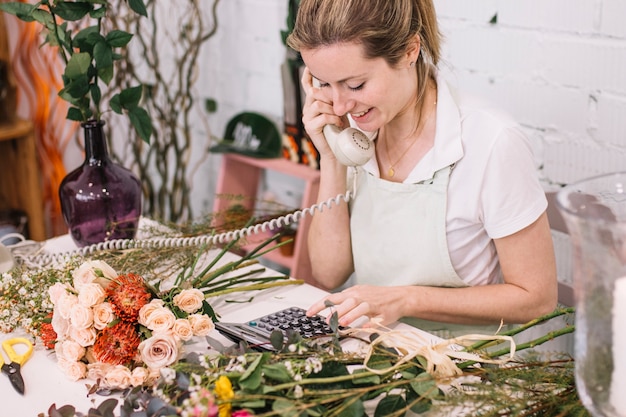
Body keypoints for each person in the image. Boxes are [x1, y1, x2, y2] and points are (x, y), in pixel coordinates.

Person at [286, 0, 557, 334]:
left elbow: (537, 298)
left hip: (467, 369)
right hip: (375, 355)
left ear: (409, 51)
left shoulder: (491, 141)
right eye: (323, 83)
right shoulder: (354, 135)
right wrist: (331, 156)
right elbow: (328, 274)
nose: (340, 105)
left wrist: (406, 300)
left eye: (355, 85)